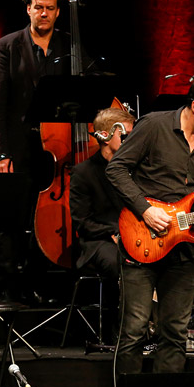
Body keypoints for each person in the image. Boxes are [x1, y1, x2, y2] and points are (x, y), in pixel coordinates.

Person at [106, 74, 194, 373]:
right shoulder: (154, 125)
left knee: (175, 333)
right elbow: (116, 170)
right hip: (141, 238)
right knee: (134, 331)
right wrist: (145, 210)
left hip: (183, 248)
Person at [0, 0, 70, 176]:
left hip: (61, 149)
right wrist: (0, 155)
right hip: (19, 150)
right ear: (28, 9)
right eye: (38, 7)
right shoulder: (6, 46)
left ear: (58, 11)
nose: (44, 13)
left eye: (50, 8)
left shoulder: (70, 44)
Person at [69, 106, 135, 280]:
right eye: (125, 135)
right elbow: (83, 223)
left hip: (137, 236)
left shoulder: (137, 169)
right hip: (101, 240)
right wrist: (116, 231)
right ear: (105, 136)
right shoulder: (83, 172)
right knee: (118, 262)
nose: (131, 141)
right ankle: (126, 307)